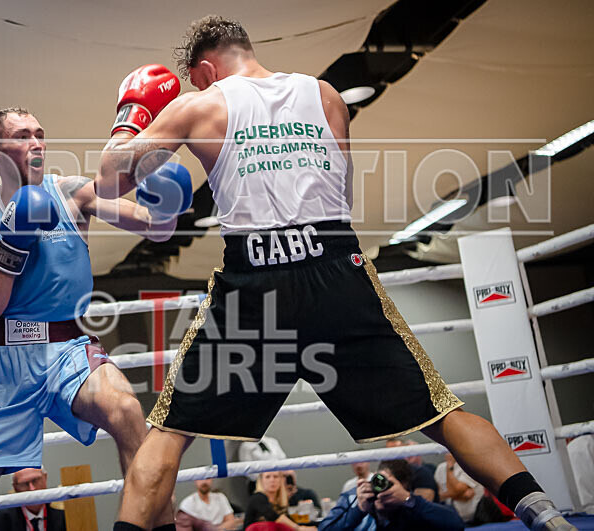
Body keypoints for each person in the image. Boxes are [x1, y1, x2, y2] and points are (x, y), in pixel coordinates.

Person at [96, 16, 575, 531]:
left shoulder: (200, 104)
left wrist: (133, 115)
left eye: (196, 79)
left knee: (169, 432)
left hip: (257, 280)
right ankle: (547, 515)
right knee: (442, 413)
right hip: (335, 268)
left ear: (206, 68)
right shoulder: (326, 95)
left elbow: (109, 179)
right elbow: (340, 197)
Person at [0, 108, 185, 531]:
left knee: (128, 411)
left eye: (40, 133)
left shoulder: (74, 193)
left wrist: (164, 203)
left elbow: (155, 229)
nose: (37, 142)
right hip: (3, 362)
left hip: (68, 349)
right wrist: (13, 247)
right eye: (22, 136)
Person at [318, 459, 464, 531]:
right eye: (381, 482)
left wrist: (409, 500)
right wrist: (359, 510)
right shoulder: (355, 497)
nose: (383, 492)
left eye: (391, 486)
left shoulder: (410, 505)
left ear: (405, 487)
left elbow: (456, 524)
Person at [0, 468, 66, 530]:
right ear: (15, 487)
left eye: (35, 480)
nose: (32, 489)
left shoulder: (63, 513)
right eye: (24, 484)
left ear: (45, 478)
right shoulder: (0, 519)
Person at [244, 471, 315, 530]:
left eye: (275, 476)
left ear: (281, 480)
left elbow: (289, 520)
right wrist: (299, 528)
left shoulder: (281, 501)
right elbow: (273, 516)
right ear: (261, 481)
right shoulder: (257, 498)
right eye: (267, 477)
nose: (272, 480)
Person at [433, 454, 484, 524]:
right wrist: (460, 496)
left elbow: (455, 490)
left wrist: (450, 467)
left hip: (474, 519)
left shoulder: (470, 465)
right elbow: (438, 496)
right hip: (450, 518)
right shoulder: (440, 468)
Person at [176, 478, 241, 530]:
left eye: (207, 478)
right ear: (195, 480)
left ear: (212, 479)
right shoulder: (188, 503)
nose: (204, 481)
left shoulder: (220, 497)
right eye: (201, 478)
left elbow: (231, 521)